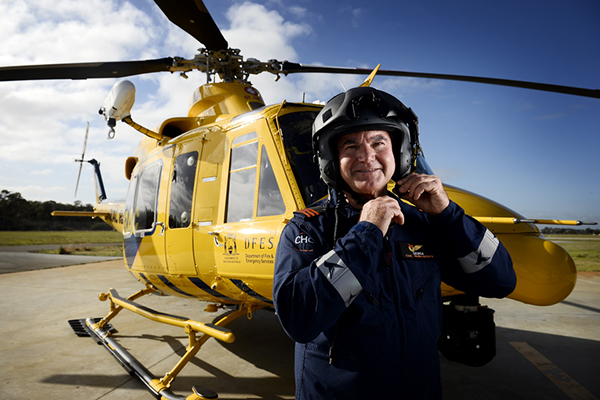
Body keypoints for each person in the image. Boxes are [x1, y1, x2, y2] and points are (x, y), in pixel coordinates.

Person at [272, 86, 516, 399]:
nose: (366, 156)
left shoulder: (423, 224)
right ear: (332, 159)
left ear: (398, 153)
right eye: (350, 144)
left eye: (378, 143)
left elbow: (501, 281)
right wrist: (366, 233)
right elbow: (299, 319)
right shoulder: (309, 228)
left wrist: (449, 216)